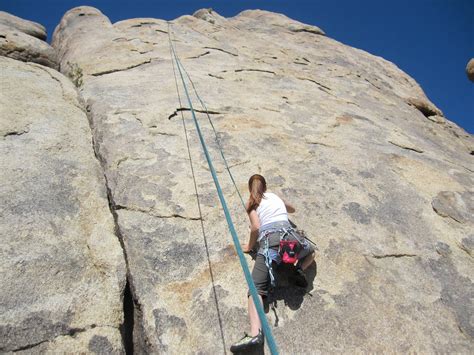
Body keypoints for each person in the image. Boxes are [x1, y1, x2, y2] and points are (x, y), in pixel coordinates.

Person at [230, 174, 315, 353]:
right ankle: (298, 267)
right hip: (290, 238)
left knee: (255, 289)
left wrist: (249, 246)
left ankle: (255, 334)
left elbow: (255, 227)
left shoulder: (252, 203)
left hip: (272, 242)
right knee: (311, 253)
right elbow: (292, 208)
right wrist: (282, 205)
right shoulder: (274, 196)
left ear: (249, 189)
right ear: (266, 186)